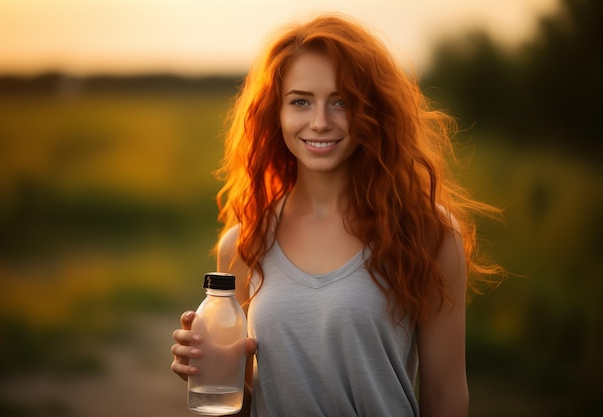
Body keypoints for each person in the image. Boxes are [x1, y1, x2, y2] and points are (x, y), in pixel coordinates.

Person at [171, 13, 502, 417]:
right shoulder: (243, 243)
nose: (320, 122)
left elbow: (447, 397)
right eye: (300, 101)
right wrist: (207, 379)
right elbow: (243, 406)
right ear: (276, 112)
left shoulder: (426, 233)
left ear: (372, 111)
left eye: (341, 102)